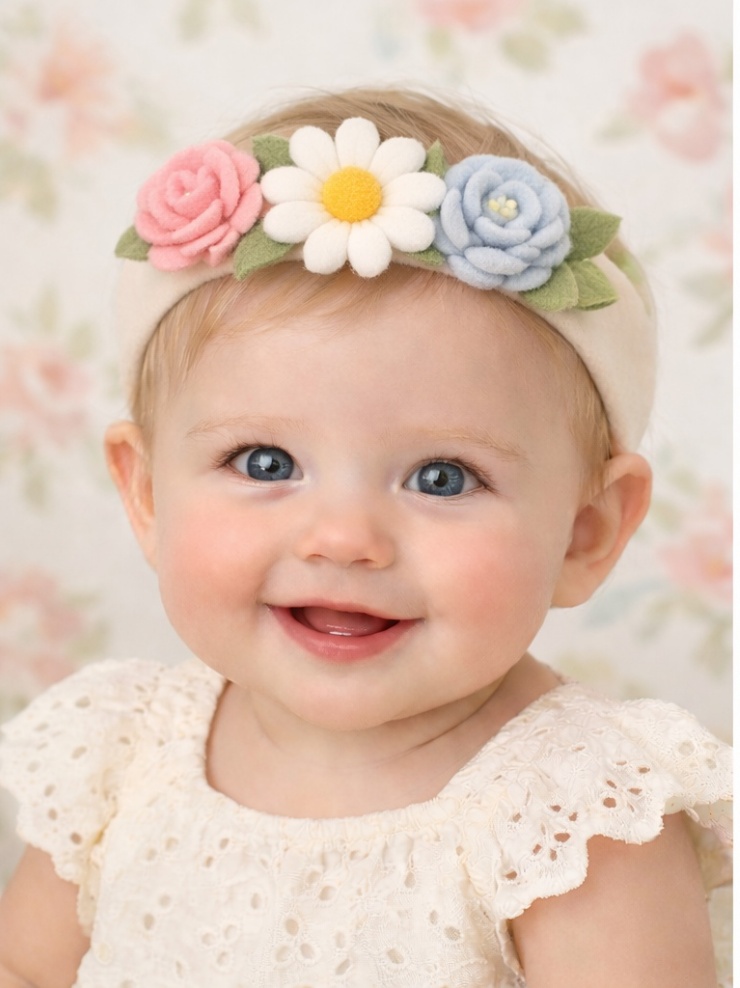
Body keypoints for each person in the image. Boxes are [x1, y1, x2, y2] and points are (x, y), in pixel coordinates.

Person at [0, 86, 731, 988]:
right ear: (147, 493)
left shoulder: (572, 818)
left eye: (442, 478)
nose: (344, 539)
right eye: (264, 462)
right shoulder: (123, 756)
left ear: (586, 532)